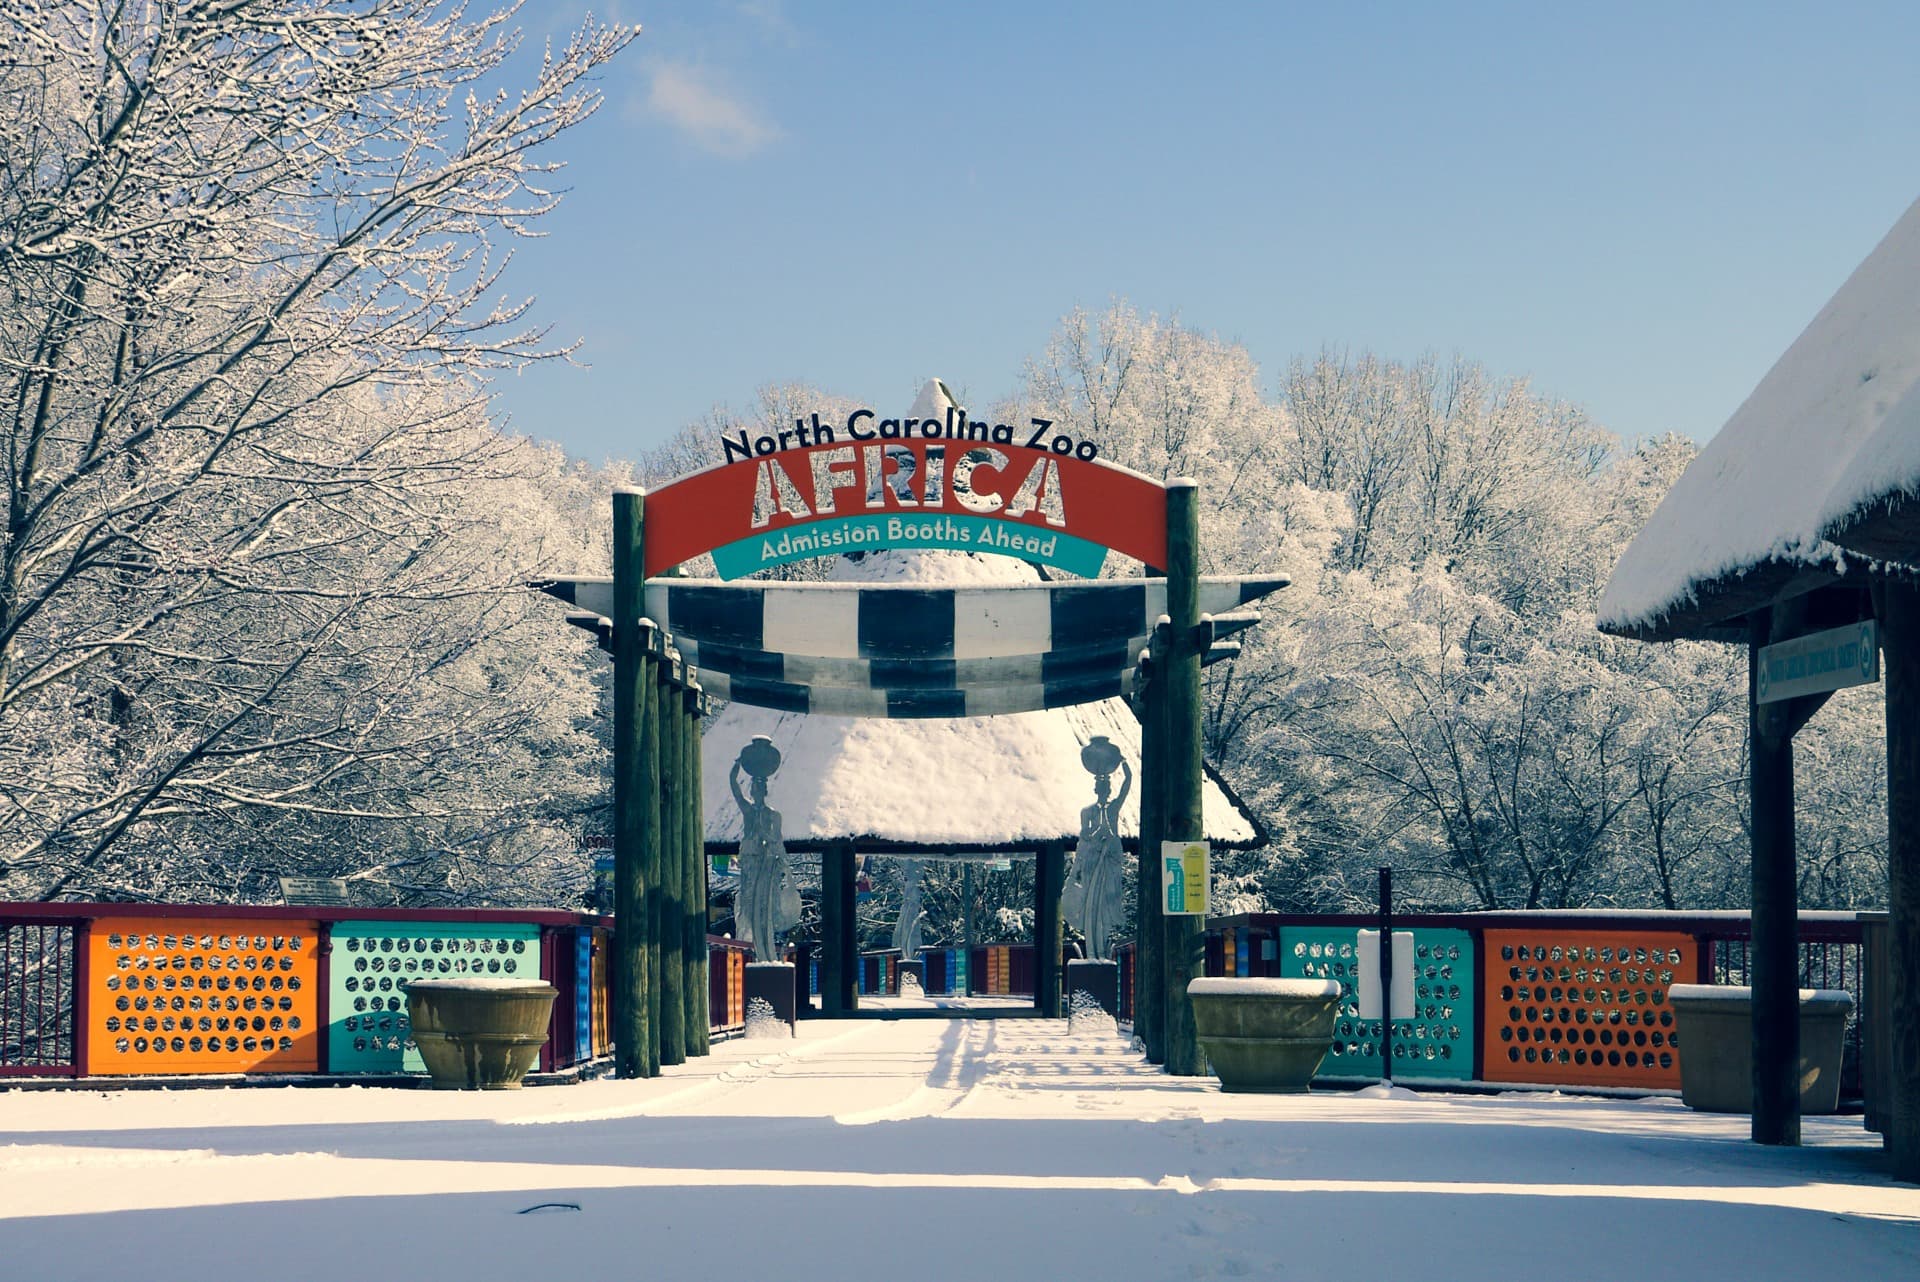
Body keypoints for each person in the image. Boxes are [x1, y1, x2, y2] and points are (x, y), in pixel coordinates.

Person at [731, 754, 798, 962]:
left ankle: (768, 952)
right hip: (750, 865)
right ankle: (759, 953)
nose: (755, 792)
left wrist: (782, 864)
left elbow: (777, 841)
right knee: (750, 908)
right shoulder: (748, 811)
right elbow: (735, 792)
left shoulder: (773, 815)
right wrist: (735, 769)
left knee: (766, 908)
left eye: (759, 789)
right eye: (753, 789)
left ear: (765, 791)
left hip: (767, 866)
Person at [1064, 757, 1131, 960]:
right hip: (1093, 862)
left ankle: (1102, 951)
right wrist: (1097, 835)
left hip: (1109, 861)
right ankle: (1092, 952)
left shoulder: (1113, 809)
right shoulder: (1088, 812)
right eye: (1102, 787)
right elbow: (1085, 837)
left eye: (1107, 787)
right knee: (1091, 905)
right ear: (1096, 790)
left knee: (1106, 906)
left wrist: (1125, 766)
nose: (1105, 790)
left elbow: (1126, 787)